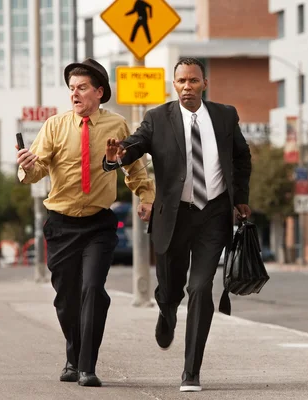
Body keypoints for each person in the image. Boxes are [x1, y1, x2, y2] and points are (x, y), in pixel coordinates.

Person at [104, 57, 252, 392]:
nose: (187, 87)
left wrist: (240, 196)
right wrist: (118, 155)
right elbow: (136, 145)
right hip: (173, 215)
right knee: (170, 287)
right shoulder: (158, 118)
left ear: (204, 83)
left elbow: (241, 156)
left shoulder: (225, 115)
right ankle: (167, 310)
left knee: (201, 288)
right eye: (181, 81)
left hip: (213, 214)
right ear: (175, 85)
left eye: (193, 81)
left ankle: (191, 371)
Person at [16, 58, 155, 387]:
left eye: (81, 88)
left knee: (93, 289)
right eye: (71, 89)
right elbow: (36, 172)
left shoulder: (117, 125)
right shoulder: (54, 126)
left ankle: (87, 366)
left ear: (99, 92)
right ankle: (73, 355)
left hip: (98, 225)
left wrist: (146, 196)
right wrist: (25, 164)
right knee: (66, 298)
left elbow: (133, 167)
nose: (74, 95)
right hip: (61, 224)